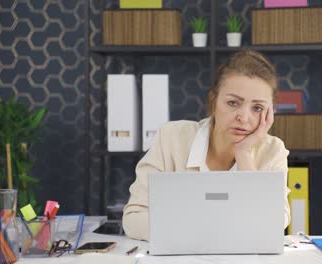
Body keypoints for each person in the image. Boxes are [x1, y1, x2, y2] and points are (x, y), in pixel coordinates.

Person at [123, 49, 291, 241]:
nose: (243, 117)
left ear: (269, 114)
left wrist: (244, 154)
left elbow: (273, 223)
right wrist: (205, 234)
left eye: (257, 108)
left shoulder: (273, 151)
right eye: (233, 103)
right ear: (214, 101)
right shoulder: (171, 138)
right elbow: (133, 219)